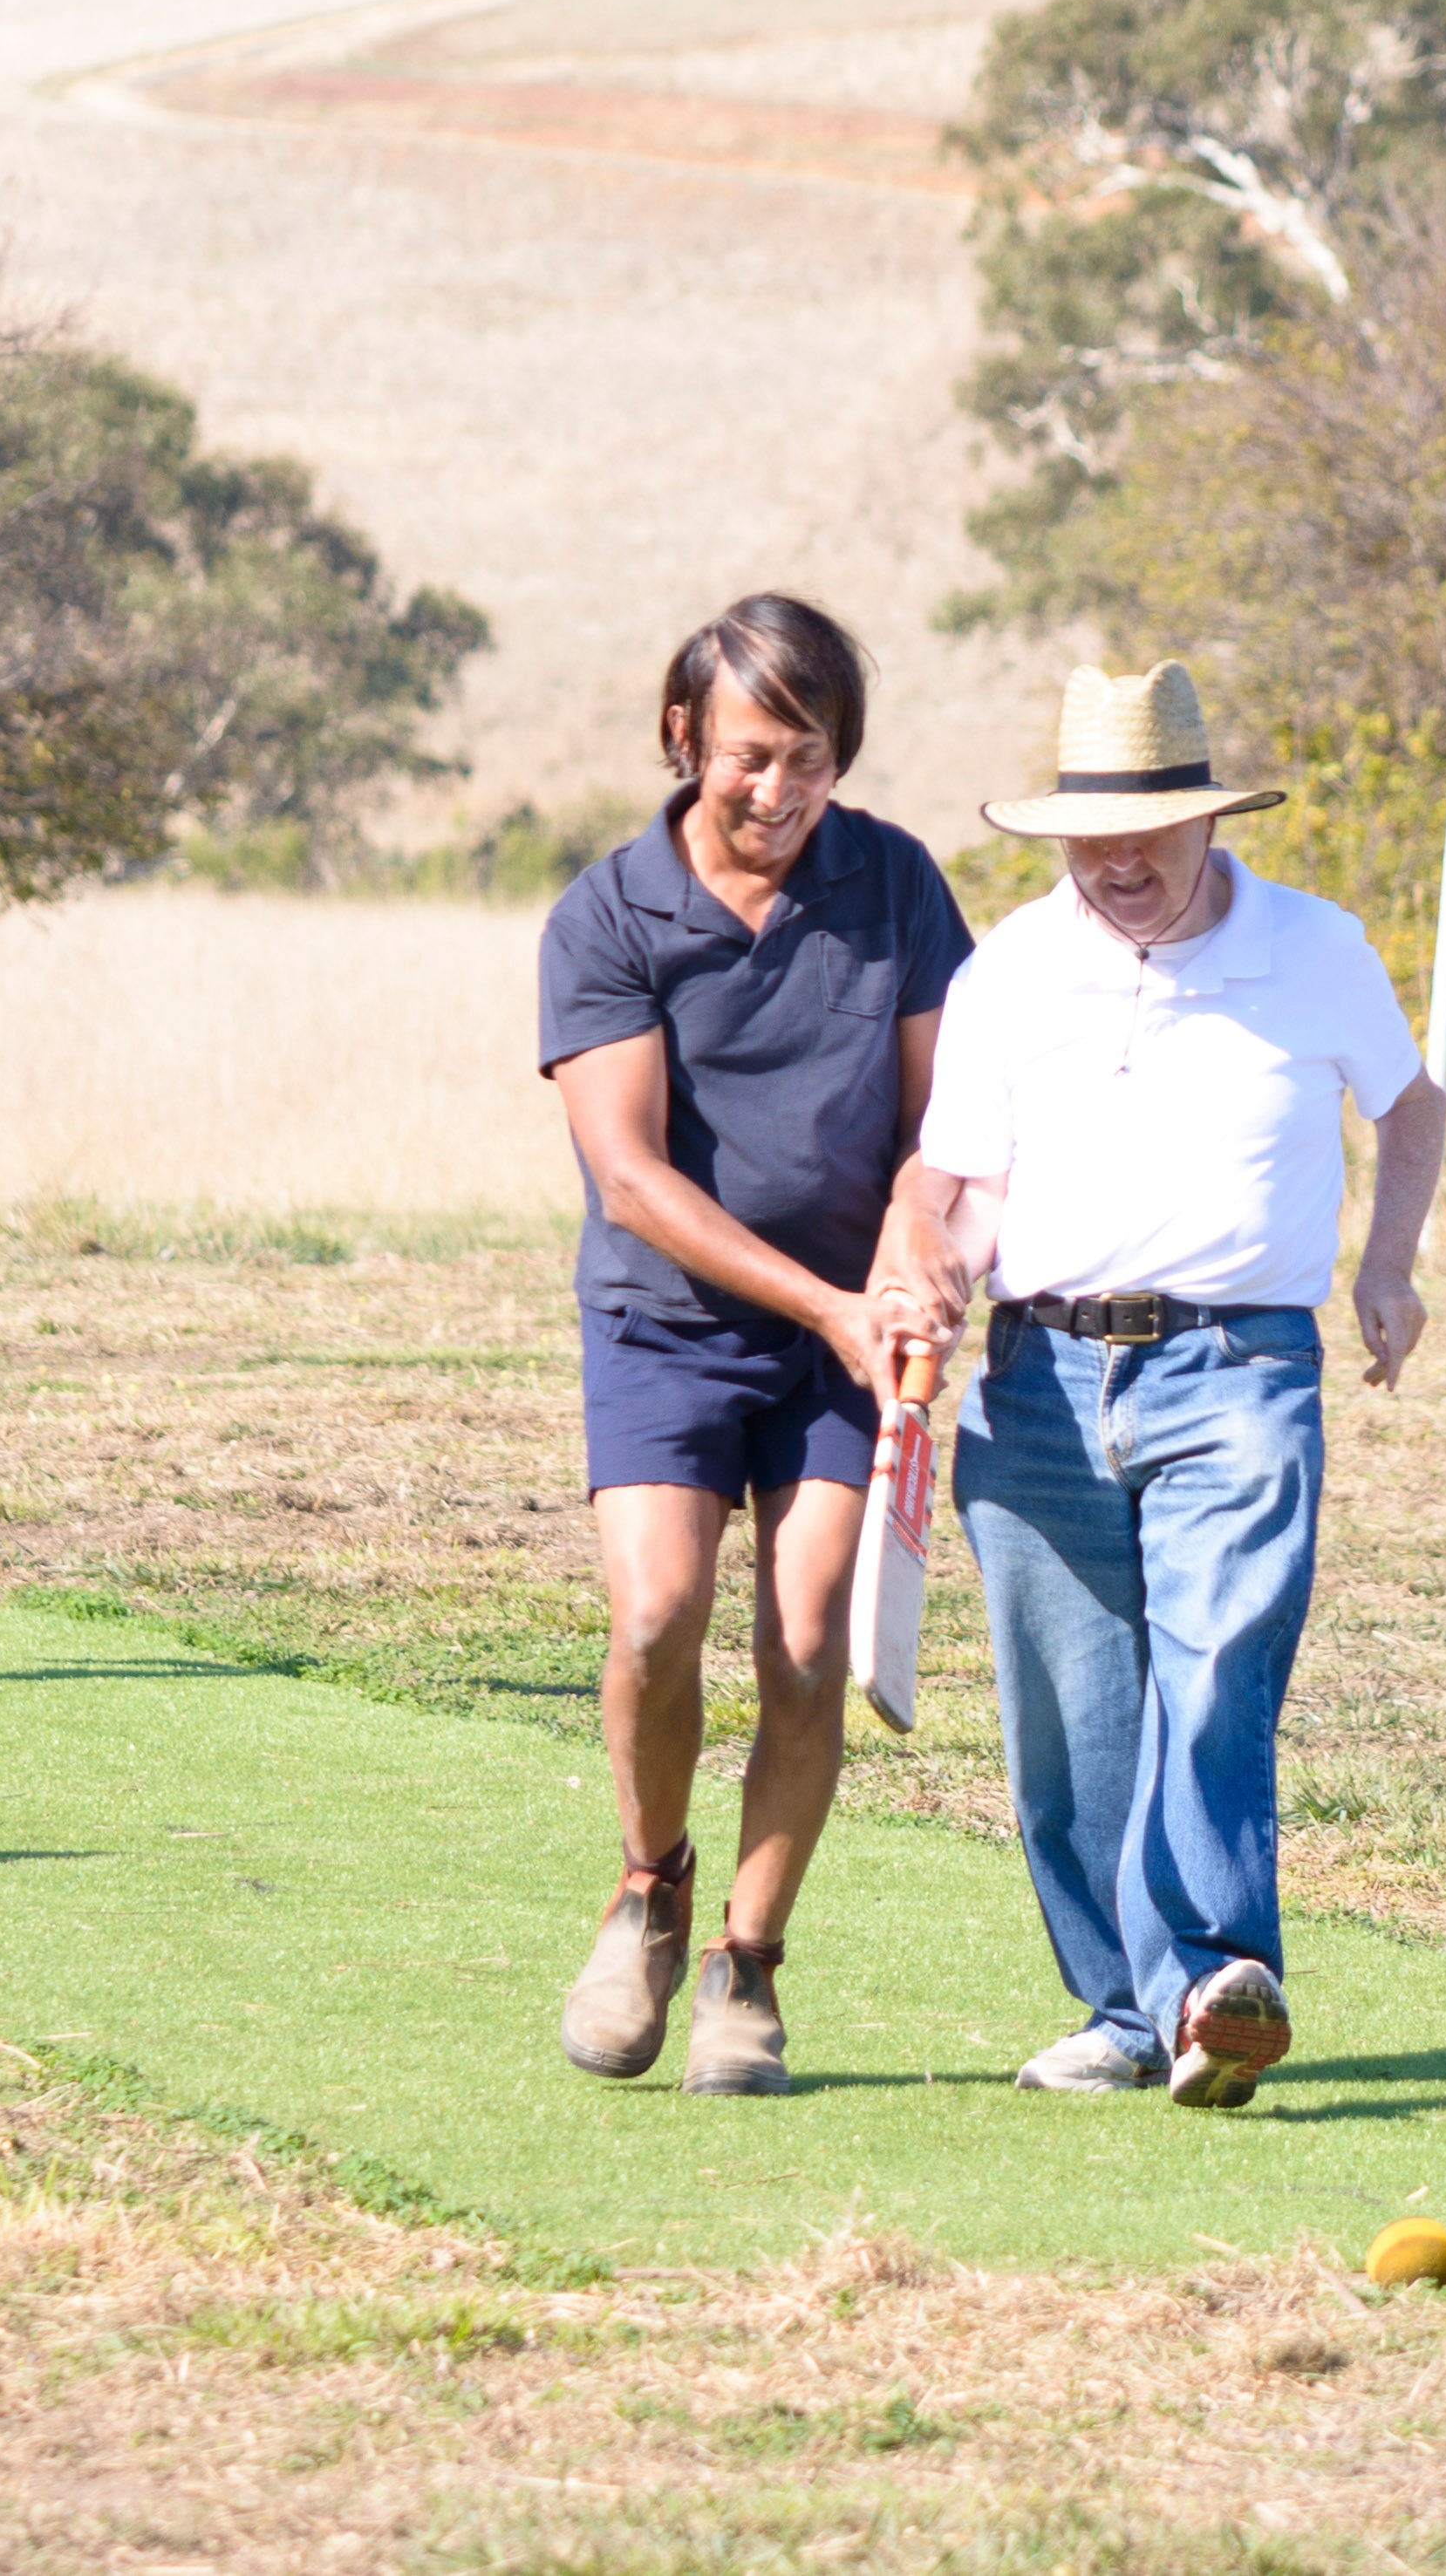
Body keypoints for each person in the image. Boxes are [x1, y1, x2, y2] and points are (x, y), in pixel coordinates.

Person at [886, 660, 1446, 2109]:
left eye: (1150, 833)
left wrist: (1389, 1265)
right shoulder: (1009, 965)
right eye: (1092, 838)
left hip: (1241, 1368)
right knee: (1070, 1726)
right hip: (1037, 1380)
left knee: (1215, 1676)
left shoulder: (1318, 947)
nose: (1121, 865)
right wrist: (922, 1274)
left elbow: (1409, 1101)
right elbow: (947, 1176)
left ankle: (1212, 1980)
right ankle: (1132, 2015)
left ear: (1211, 820)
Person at [539, 593, 972, 2097]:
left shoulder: (900, 884)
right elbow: (635, 1181)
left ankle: (745, 1965)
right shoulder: (605, 914)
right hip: (668, 1329)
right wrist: (835, 1301)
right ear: (684, 741)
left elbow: (946, 1125)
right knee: (657, 1620)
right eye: (749, 757)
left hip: (850, 1354)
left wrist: (919, 1239)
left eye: (809, 760)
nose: (778, 792)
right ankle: (649, 1889)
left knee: (801, 1644)